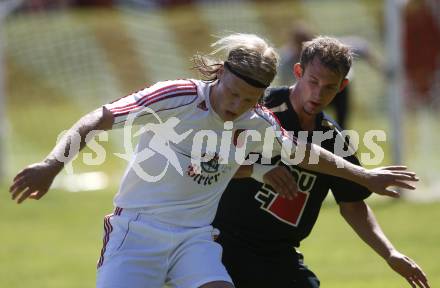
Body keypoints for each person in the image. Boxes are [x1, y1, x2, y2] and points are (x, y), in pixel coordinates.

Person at [10, 34, 418, 288]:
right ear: (220, 73)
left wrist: (364, 175)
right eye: (233, 93)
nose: (235, 106)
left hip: (195, 239)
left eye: (248, 100)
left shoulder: (257, 121)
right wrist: (53, 163)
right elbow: (101, 118)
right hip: (137, 232)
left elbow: (306, 153)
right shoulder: (177, 96)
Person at [213, 36, 429, 288]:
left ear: (342, 86)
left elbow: (352, 205)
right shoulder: (259, 107)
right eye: (313, 81)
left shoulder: (333, 138)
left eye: (329, 87)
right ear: (298, 72)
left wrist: (390, 252)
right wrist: (259, 170)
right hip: (222, 243)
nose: (318, 94)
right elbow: (213, 163)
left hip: (279, 254)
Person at [277, 22, 384, 128]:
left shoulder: (330, 50)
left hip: (338, 93)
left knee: (341, 124)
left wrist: (379, 66)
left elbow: (361, 47)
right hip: (310, 93)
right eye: (300, 44)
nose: (304, 47)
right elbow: (287, 86)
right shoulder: (287, 59)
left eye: (307, 42)